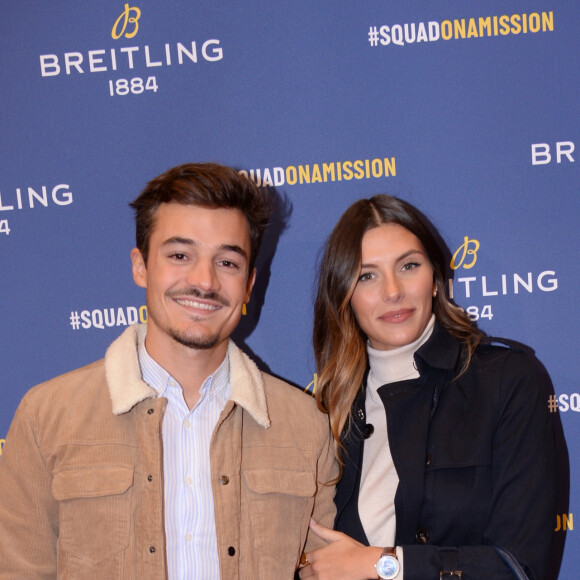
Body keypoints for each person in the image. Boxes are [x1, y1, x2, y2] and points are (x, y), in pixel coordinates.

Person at [0, 162, 337, 579]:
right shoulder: (46, 416)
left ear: (249, 284)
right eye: (180, 255)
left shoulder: (304, 426)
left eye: (227, 262)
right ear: (140, 266)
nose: (204, 281)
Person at [299, 195, 558, 580]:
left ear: (436, 279)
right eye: (367, 275)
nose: (393, 291)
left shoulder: (508, 380)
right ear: (344, 295)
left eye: (408, 266)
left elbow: (523, 568)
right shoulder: (322, 407)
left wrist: (386, 564)